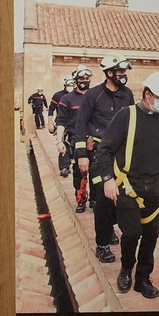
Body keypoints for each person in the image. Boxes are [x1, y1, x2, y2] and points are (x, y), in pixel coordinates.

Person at [96, 70, 159, 299]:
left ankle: (143, 279)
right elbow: (104, 150)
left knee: (151, 236)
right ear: (149, 95)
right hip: (128, 187)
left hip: (154, 188)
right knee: (131, 234)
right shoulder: (126, 116)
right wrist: (107, 179)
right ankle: (126, 269)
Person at [73, 55, 136, 262]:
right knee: (102, 199)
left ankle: (109, 229)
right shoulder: (93, 95)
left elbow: (133, 123)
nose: (123, 76)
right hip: (99, 154)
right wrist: (82, 155)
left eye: (125, 72)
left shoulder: (127, 95)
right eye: (120, 72)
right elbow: (80, 125)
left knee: (120, 198)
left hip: (121, 156)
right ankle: (101, 244)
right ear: (109, 73)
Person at [63, 66, 93, 210]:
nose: (84, 81)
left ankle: (95, 199)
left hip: (93, 140)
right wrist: (59, 141)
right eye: (82, 79)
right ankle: (80, 200)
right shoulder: (67, 99)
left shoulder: (95, 96)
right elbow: (61, 121)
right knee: (78, 171)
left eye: (87, 79)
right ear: (76, 80)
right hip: (76, 139)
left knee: (96, 170)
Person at [50, 74, 76, 175]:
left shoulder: (78, 96)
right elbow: (51, 109)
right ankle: (64, 167)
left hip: (74, 125)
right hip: (63, 124)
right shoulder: (59, 95)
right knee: (63, 145)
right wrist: (50, 123)